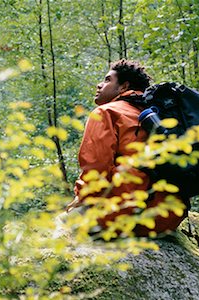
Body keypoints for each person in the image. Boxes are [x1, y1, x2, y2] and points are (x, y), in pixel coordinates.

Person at [67, 59, 186, 237]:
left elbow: (95, 170)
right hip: (166, 218)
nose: (100, 85)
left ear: (124, 87)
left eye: (107, 80)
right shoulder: (159, 114)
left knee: (60, 227)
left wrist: (80, 201)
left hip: (122, 215)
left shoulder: (106, 112)